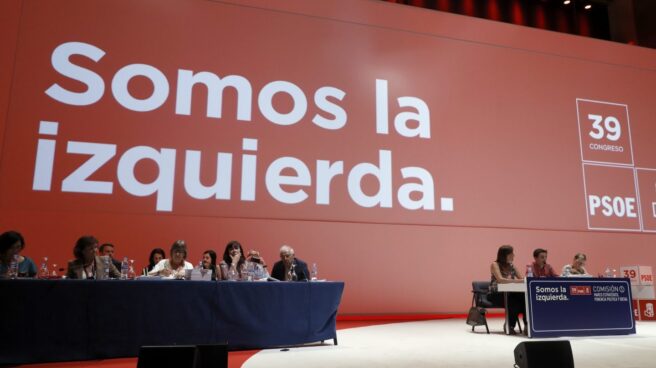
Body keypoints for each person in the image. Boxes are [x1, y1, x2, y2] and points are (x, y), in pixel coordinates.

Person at [488, 244, 526, 335]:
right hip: (496, 294)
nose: (514, 255)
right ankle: (510, 326)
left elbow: (522, 279)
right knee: (513, 301)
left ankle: (528, 325)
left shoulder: (512, 266)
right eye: (512, 253)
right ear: (505, 255)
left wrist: (522, 280)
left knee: (525, 299)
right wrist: (518, 281)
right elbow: (500, 280)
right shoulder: (495, 264)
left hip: (510, 293)